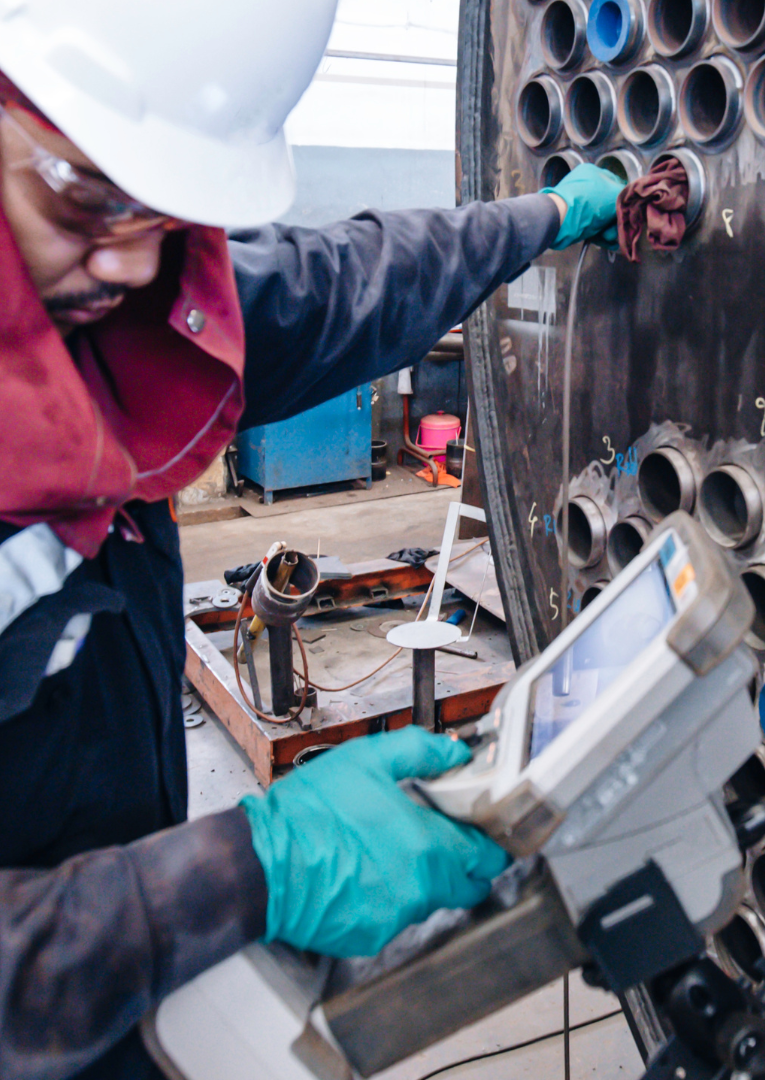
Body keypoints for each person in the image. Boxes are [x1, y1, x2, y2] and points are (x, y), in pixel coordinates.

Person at [0, 2, 627, 1077]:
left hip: (107, 953)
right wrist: (249, 871)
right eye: (90, 199)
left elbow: (343, 283)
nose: (131, 268)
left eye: (170, 220)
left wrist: (545, 218)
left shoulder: (97, 289)